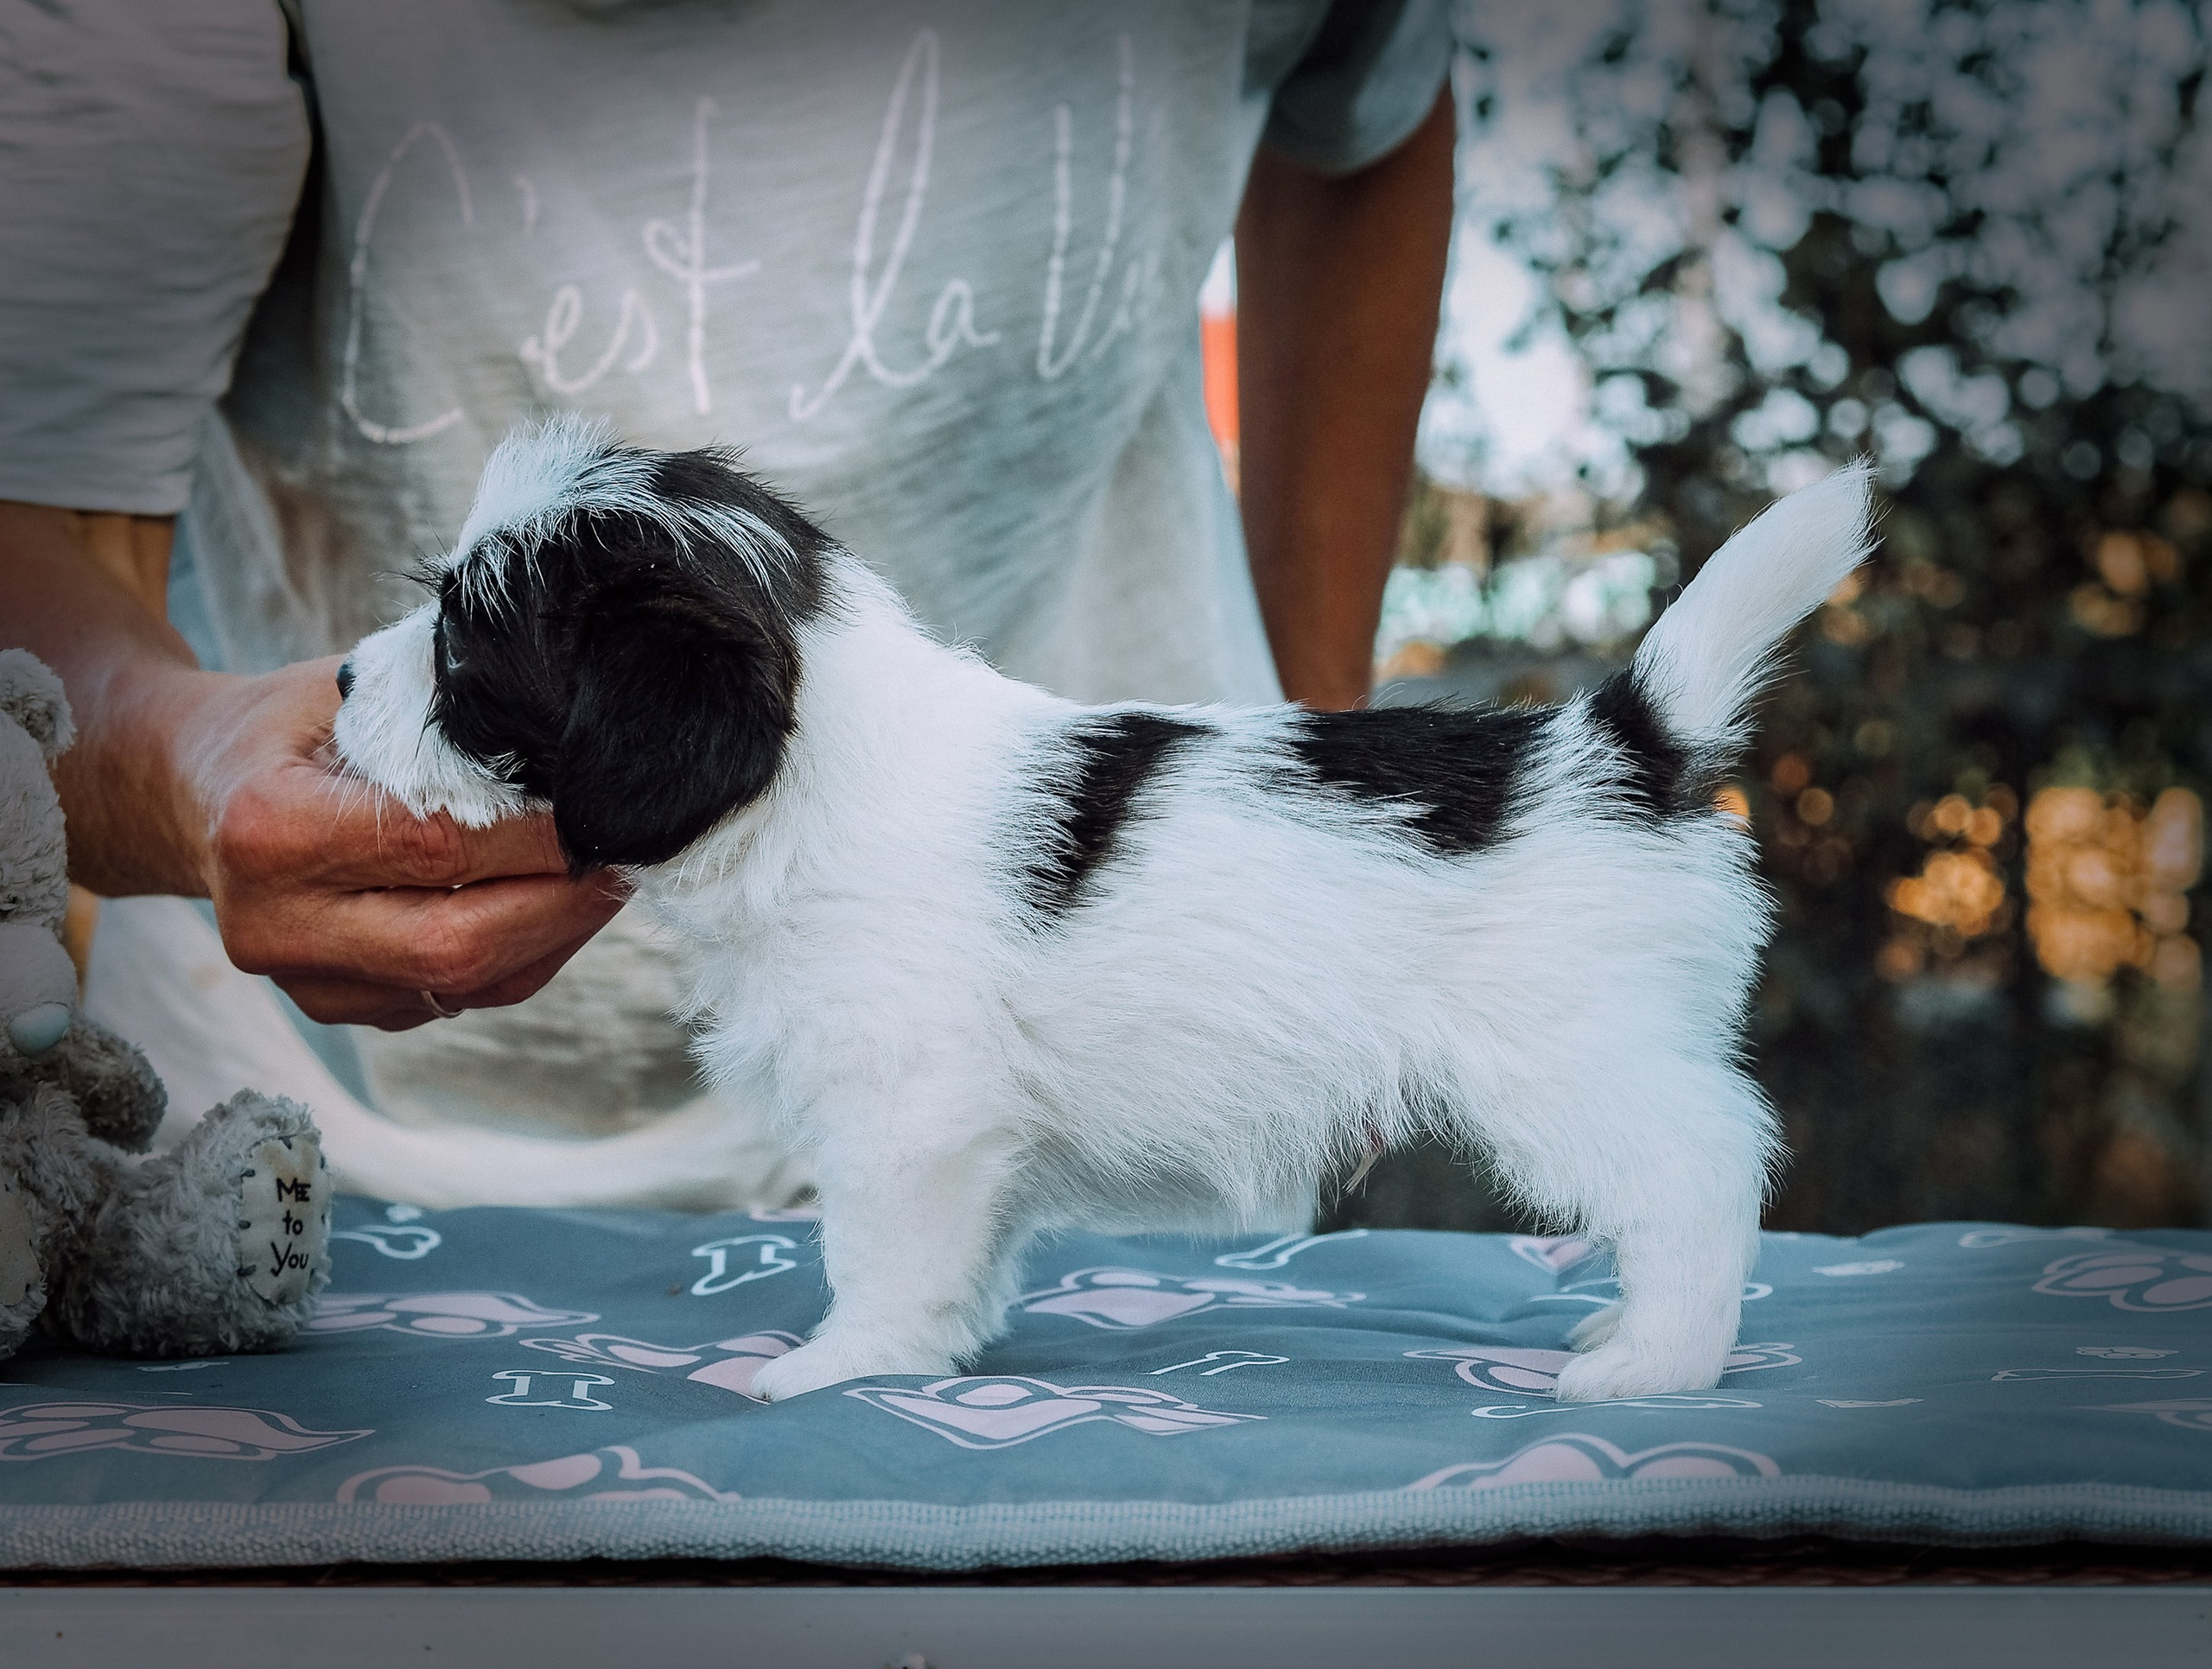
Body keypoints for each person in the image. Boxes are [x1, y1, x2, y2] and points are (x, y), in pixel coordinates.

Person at [0, 0, 1455, 1203]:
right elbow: (35, 542)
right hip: (343, 1146)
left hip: (1102, 1068)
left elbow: (1368, 111)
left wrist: (1313, 785)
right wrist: (187, 768)